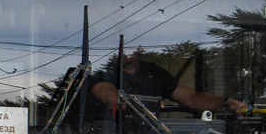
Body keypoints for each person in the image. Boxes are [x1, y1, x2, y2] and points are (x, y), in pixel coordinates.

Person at [88, 47, 245, 117]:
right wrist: (148, 106)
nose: (126, 51)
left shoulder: (153, 71)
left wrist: (226, 103)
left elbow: (191, 98)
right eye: (122, 47)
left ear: (139, 48)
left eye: (131, 46)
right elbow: (111, 98)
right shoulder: (103, 73)